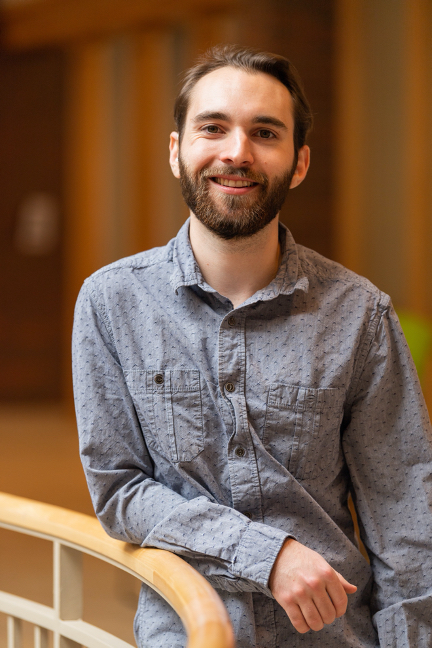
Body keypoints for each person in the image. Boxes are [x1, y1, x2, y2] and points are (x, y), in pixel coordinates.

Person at [72, 45, 432, 647]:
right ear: (176, 150)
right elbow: (120, 490)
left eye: (265, 132)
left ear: (299, 163)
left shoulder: (361, 313)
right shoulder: (111, 304)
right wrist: (267, 554)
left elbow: (405, 520)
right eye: (213, 127)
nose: (237, 152)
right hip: (189, 632)